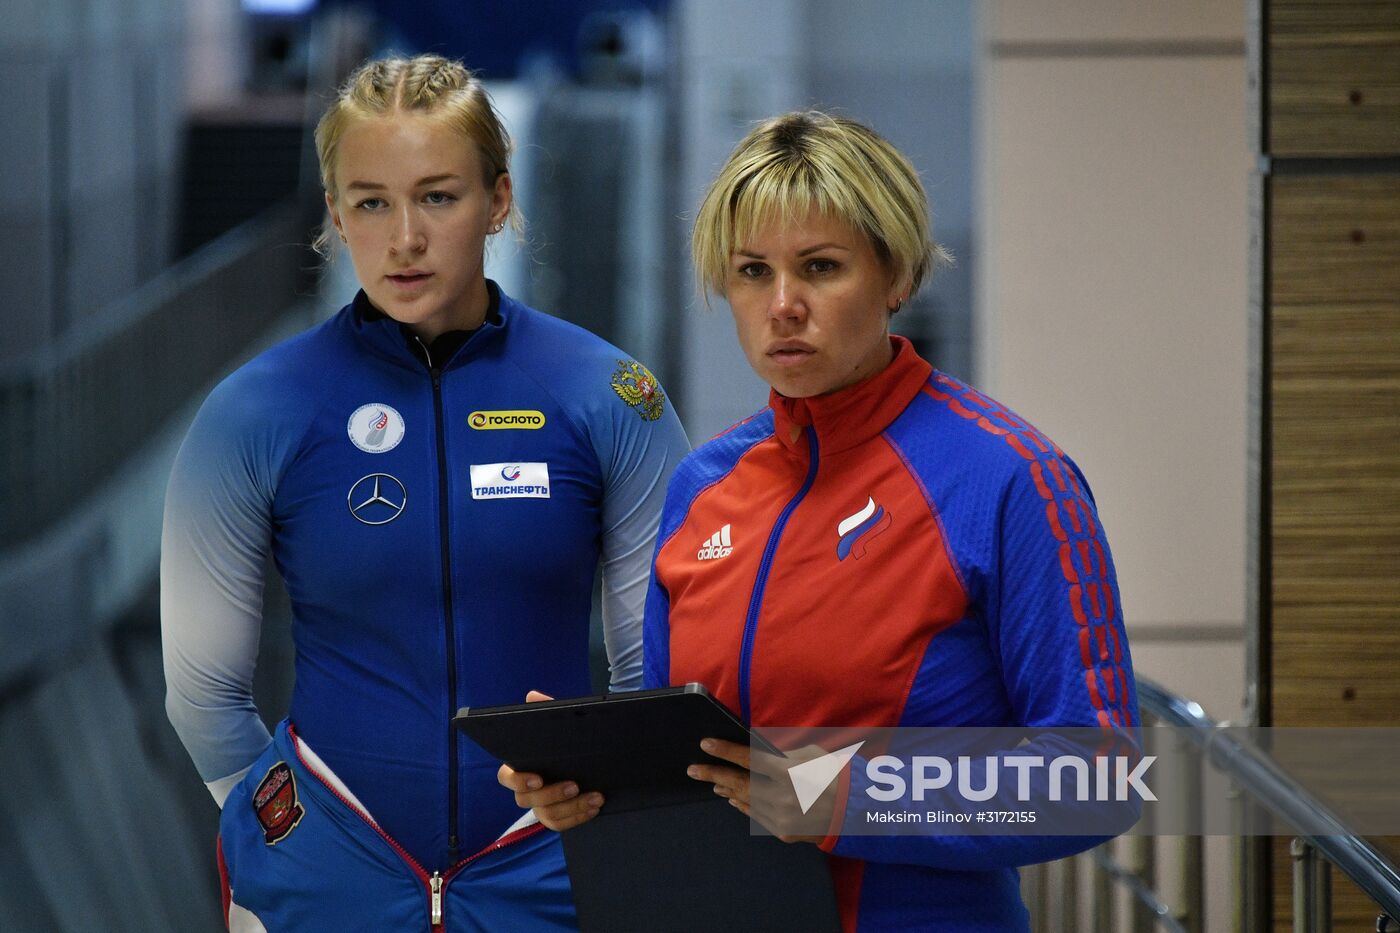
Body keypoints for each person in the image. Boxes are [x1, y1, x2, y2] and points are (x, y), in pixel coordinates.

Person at [502, 111, 1138, 931]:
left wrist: (840, 794)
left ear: (895, 275)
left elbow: (1097, 777)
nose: (783, 305)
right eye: (752, 271)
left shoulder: (1010, 478)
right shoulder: (703, 486)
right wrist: (589, 785)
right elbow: (685, 765)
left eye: (821, 267)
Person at [161, 54, 689, 932]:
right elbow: (202, 691)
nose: (404, 237)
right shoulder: (252, 412)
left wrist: (596, 812)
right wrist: (294, 834)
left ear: (499, 200)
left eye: (438, 197)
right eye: (371, 202)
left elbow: (655, 673)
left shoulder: (610, 396)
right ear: (336, 215)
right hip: (322, 882)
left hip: (551, 871)